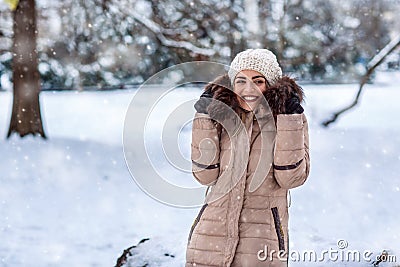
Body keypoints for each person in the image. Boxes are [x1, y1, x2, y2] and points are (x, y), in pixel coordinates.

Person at [186, 49, 310, 267]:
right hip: (211, 234)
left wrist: (289, 120)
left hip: (262, 238)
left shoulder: (288, 119)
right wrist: (205, 117)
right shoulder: (222, 117)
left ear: (270, 85)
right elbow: (204, 176)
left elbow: (290, 179)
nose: (248, 89)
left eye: (258, 81)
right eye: (240, 80)